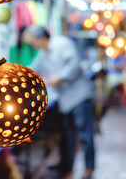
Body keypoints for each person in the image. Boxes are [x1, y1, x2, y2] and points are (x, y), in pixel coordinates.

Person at [23, 25, 95, 179]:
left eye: (32, 41)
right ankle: (66, 165)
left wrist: (58, 77)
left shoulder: (62, 44)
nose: (32, 45)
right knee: (67, 134)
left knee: (85, 134)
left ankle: (89, 167)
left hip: (79, 96)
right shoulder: (43, 55)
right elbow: (32, 70)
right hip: (65, 100)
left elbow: (74, 65)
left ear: (40, 38)